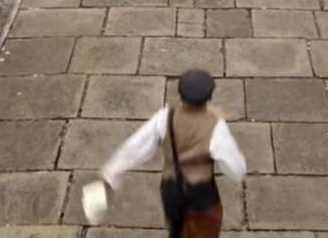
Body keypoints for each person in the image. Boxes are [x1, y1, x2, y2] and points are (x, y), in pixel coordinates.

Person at [99, 70, 246, 238]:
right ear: (209, 96)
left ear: (180, 94)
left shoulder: (165, 118)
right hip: (201, 195)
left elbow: (134, 148)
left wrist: (112, 173)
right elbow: (236, 170)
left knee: (176, 229)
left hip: (172, 189)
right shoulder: (215, 126)